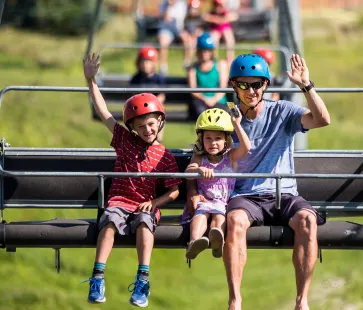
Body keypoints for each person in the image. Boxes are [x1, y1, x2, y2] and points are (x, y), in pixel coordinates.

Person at [187, 53, 331, 310]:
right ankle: (235, 300)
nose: (250, 91)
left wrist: (306, 86)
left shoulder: (283, 112)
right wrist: (193, 190)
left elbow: (322, 120)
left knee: (308, 220)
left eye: (256, 84)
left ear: (265, 85)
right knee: (235, 221)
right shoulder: (224, 118)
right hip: (245, 195)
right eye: (243, 84)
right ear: (233, 85)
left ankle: (302, 301)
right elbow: (199, 152)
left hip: (283, 193)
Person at [83, 53, 182, 308]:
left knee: (144, 225)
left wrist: (154, 202)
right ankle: (98, 275)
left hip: (144, 205)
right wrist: (91, 80)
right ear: (132, 129)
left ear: (160, 122)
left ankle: (142, 279)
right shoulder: (124, 141)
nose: (147, 130)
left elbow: (174, 192)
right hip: (119, 200)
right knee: (109, 222)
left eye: (151, 124)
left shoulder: (165, 156)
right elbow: (104, 112)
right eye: (141, 127)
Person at [180, 107, 250, 260]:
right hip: (203, 201)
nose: (213, 143)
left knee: (219, 219)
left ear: (226, 139)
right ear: (201, 139)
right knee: (201, 216)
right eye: (208, 138)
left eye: (218, 138)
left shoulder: (230, 157)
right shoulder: (199, 157)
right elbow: (188, 172)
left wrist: (237, 125)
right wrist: (198, 169)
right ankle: (194, 242)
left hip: (222, 203)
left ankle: (217, 240)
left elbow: (246, 148)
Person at [187, 32, 228, 121]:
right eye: (202, 50)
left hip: (219, 101)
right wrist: (205, 99)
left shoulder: (220, 65)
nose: (204, 53)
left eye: (207, 50)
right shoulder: (193, 68)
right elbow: (193, 90)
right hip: (201, 103)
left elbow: (223, 88)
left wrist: (214, 99)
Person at [130, 46, 167, 142]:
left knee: (161, 111)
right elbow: (133, 95)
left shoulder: (159, 78)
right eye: (143, 61)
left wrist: (152, 104)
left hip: (154, 108)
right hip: (139, 109)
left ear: (154, 63)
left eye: (148, 61)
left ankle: (158, 136)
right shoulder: (136, 79)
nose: (145, 65)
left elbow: (162, 95)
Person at [157, 0, 192, 74]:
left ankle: (187, 63)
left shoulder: (182, 4)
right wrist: (169, 6)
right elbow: (166, 20)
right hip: (167, 30)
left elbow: (181, 20)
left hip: (179, 29)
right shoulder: (163, 4)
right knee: (163, 42)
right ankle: (163, 67)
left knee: (188, 40)